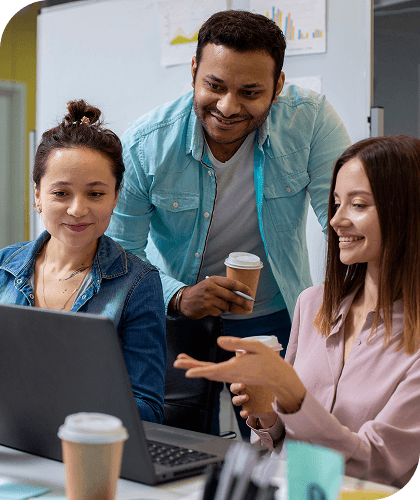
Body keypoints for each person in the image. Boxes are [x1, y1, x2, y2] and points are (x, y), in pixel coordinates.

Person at [106, 10, 351, 435]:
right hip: (177, 318)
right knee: (175, 440)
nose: (227, 107)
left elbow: (341, 220)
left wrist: (349, 304)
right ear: (194, 71)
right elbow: (120, 250)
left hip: (274, 317)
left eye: (249, 92)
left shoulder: (310, 120)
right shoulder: (146, 144)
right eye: (214, 86)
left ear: (277, 86)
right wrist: (178, 296)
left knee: (281, 442)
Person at [174, 135, 420, 488]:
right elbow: (278, 449)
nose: (336, 220)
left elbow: (378, 467)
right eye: (336, 203)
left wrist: (293, 395)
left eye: (358, 205)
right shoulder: (312, 305)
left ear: (408, 212)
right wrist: (267, 416)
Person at [0, 100, 167, 424]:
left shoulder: (138, 283)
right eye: (61, 193)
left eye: (95, 194)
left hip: (85, 444)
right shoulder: (3, 266)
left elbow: (147, 408)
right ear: (38, 195)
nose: (77, 210)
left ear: (115, 196)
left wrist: (61, 403)